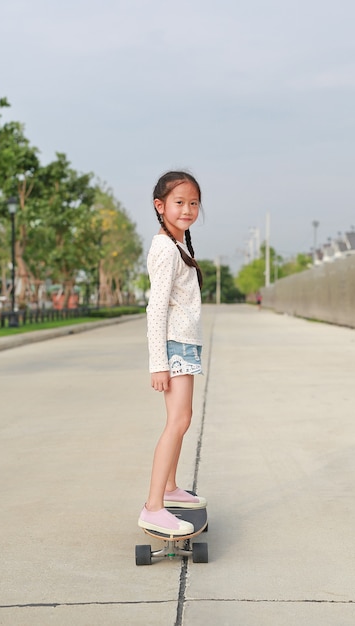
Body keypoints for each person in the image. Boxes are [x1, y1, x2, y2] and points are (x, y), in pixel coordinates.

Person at [138, 171, 207, 536]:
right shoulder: (165, 248)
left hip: (184, 343)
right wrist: (158, 364)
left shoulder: (178, 244)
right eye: (179, 202)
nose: (187, 209)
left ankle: (169, 487)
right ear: (160, 206)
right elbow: (156, 308)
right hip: (174, 346)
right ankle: (153, 507)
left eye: (193, 203)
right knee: (177, 422)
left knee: (184, 418)